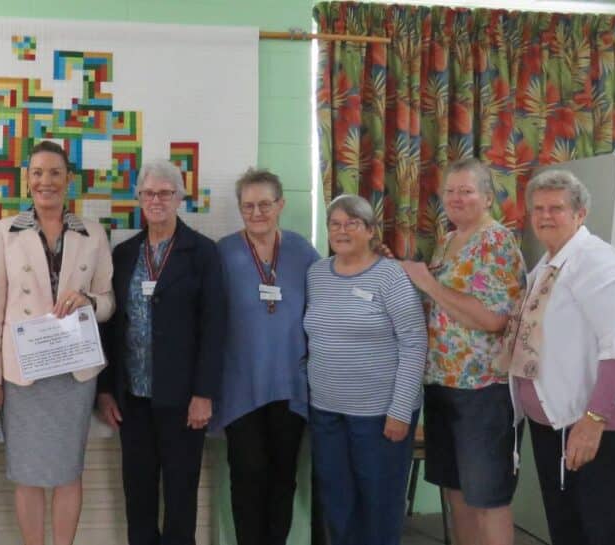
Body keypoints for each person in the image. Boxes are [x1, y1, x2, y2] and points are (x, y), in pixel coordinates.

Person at [500, 170, 615, 545]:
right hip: (556, 423)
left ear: (580, 213)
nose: (545, 216)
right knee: (569, 530)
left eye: (557, 208)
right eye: (538, 208)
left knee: (604, 533)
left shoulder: (598, 262)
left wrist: (593, 419)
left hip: (601, 423)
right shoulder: (549, 264)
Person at [0, 141, 114, 545]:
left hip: (74, 372)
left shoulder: (92, 232)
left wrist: (88, 301)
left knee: (69, 472)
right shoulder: (5, 232)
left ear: (68, 180)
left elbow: (108, 302)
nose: (46, 181)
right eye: (37, 173)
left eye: (55, 173)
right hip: (23, 375)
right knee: (28, 474)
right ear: (27, 180)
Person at [97, 159, 226, 545]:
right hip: (132, 399)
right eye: (149, 193)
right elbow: (110, 326)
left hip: (184, 401)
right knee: (138, 498)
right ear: (138, 198)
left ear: (179, 199)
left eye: (165, 193)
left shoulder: (202, 253)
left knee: (181, 498)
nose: (156, 200)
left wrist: (204, 393)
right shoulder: (123, 254)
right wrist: (105, 389)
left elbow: (215, 326)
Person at [400, 158, 526, 545]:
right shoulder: (449, 238)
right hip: (442, 385)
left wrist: (428, 284)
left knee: (487, 498)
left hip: (483, 390)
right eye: (449, 191)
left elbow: (493, 320)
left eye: (466, 191)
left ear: (487, 197)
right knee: (456, 495)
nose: (456, 198)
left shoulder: (496, 241)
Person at [305, 194, 427, 545]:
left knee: (379, 506)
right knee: (338, 504)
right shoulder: (316, 274)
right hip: (326, 413)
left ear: (371, 231)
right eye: (334, 224)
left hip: (380, 416)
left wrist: (401, 410)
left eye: (352, 224)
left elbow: (414, 342)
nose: (342, 231)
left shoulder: (390, 275)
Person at [211, 168, 319, 545]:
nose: (257, 212)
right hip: (240, 385)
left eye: (264, 204)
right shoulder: (222, 252)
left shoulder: (303, 250)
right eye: (248, 206)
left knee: (283, 477)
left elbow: (328, 297)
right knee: (247, 475)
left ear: (280, 205)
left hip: (290, 385)